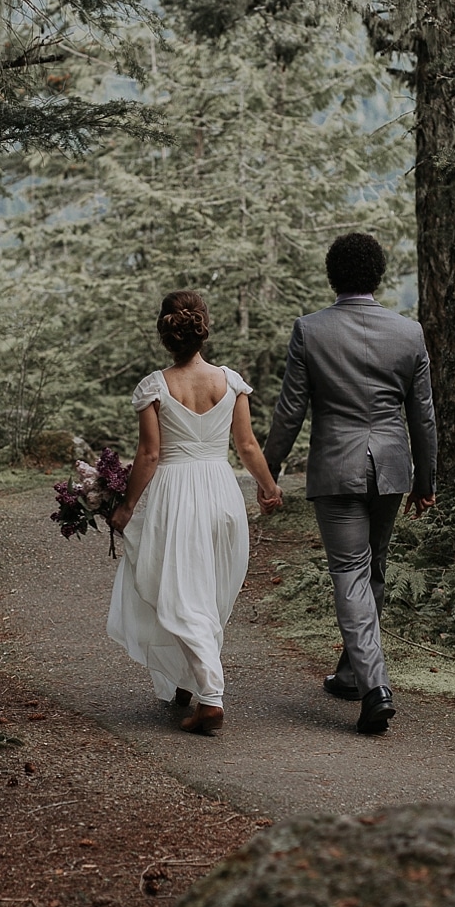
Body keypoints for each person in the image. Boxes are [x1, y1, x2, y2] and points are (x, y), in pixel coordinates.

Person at [260, 232, 438, 735]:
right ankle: (349, 672)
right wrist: (425, 480)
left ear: (331, 276)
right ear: (378, 276)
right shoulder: (409, 332)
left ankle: (374, 686)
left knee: (352, 572)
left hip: (336, 468)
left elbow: (291, 409)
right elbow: (422, 417)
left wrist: (267, 470)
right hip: (391, 467)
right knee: (371, 569)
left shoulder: (311, 330)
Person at [106, 291, 284, 736]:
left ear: (166, 334)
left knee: (182, 592)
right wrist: (268, 487)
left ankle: (211, 698)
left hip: (176, 494)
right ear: (203, 326)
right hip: (221, 493)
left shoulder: (156, 386)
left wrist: (126, 507)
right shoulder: (230, 381)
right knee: (206, 592)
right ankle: (187, 679)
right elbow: (246, 446)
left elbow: (149, 455)